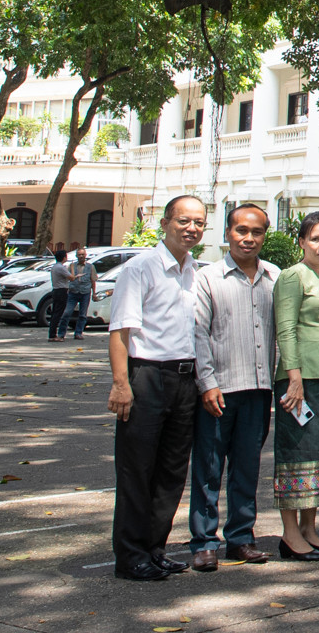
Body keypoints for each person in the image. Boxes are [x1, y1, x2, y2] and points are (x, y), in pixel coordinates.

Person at [107, 195, 208, 581]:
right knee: (137, 470)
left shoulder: (194, 271)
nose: (191, 228)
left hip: (186, 380)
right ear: (165, 223)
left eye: (199, 222)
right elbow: (120, 332)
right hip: (146, 376)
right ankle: (130, 555)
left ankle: (154, 548)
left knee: (170, 471)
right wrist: (121, 385)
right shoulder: (141, 269)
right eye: (184, 220)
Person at [189, 203, 279, 571]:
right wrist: (206, 383)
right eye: (241, 230)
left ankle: (241, 537)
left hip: (259, 390)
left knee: (247, 469)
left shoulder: (275, 275)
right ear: (227, 233)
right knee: (209, 469)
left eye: (256, 232)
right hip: (219, 390)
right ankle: (204, 541)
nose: (248, 238)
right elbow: (197, 333)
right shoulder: (207, 277)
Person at [272, 211, 319, 560]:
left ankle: (309, 529)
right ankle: (289, 535)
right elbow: (285, 329)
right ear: (301, 242)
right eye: (316, 238)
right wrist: (294, 378)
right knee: (296, 453)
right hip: (301, 379)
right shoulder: (292, 277)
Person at [65, 243, 96, 340]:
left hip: (85, 292)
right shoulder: (72, 266)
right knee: (67, 313)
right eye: (79, 255)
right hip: (73, 292)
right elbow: (67, 278)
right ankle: (61, 333)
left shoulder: (90, 267)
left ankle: (78, 333)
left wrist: (94, 293)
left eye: (83, 254)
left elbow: (93, 280)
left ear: (85, 255)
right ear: (76, 256)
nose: (81, 256)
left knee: (82, 315)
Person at [45, 249, 73, 341]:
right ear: (64, 257)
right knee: (58, 313)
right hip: (61, 291)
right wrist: (73, 271)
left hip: (56, 290)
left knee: (55, 313)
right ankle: (53, 335)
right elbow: (71, 277)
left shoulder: (55, 267)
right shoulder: (61, 267)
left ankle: (52, 334)